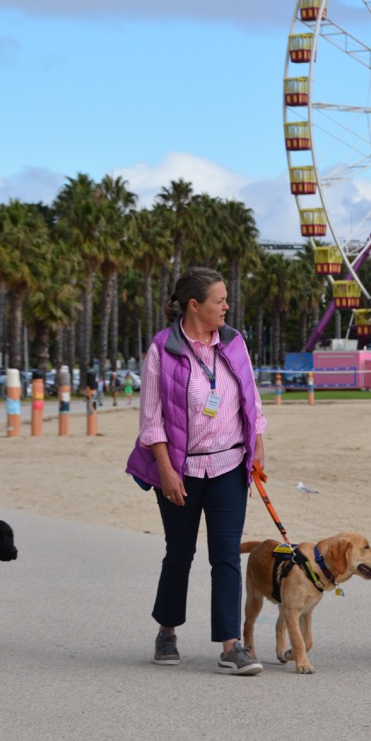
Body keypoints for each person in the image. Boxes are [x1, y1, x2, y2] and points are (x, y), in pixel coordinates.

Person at [125, 267, 267, 675]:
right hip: (181, 468)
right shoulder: (162, 350)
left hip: (228, 464)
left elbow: (252, 402)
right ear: (194, 305)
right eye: (218, 300)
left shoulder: (235, 342)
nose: (226, 306)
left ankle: (231, 645)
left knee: (225, 555)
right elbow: (151, 420)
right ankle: (167, 630)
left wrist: (258, 448)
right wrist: (167, 472)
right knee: (180, 553)